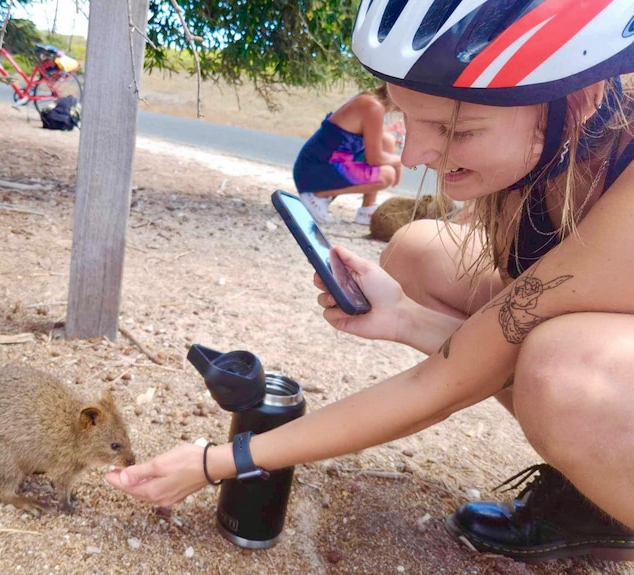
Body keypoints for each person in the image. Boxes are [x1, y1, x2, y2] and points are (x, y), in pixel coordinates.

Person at [106, 0, 634, 563]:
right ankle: (596, 496)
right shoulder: (547, 158)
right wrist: (405, 316)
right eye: (411, 118)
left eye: (458, 129)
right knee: (419, 252)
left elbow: (447, 384)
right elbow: (491, 347)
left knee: (563, 370)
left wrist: (223, 459)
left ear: (577, 100)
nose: (414, 155)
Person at [292, 85, 403, 225]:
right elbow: (375, 159)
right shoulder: (373, 107)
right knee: (388, 175)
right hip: (314, 171)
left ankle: (367, 210)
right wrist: (400, 162)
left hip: (321, 166)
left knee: (387, 140)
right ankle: (316, 196)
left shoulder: (372, 102)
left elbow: (377, 150)